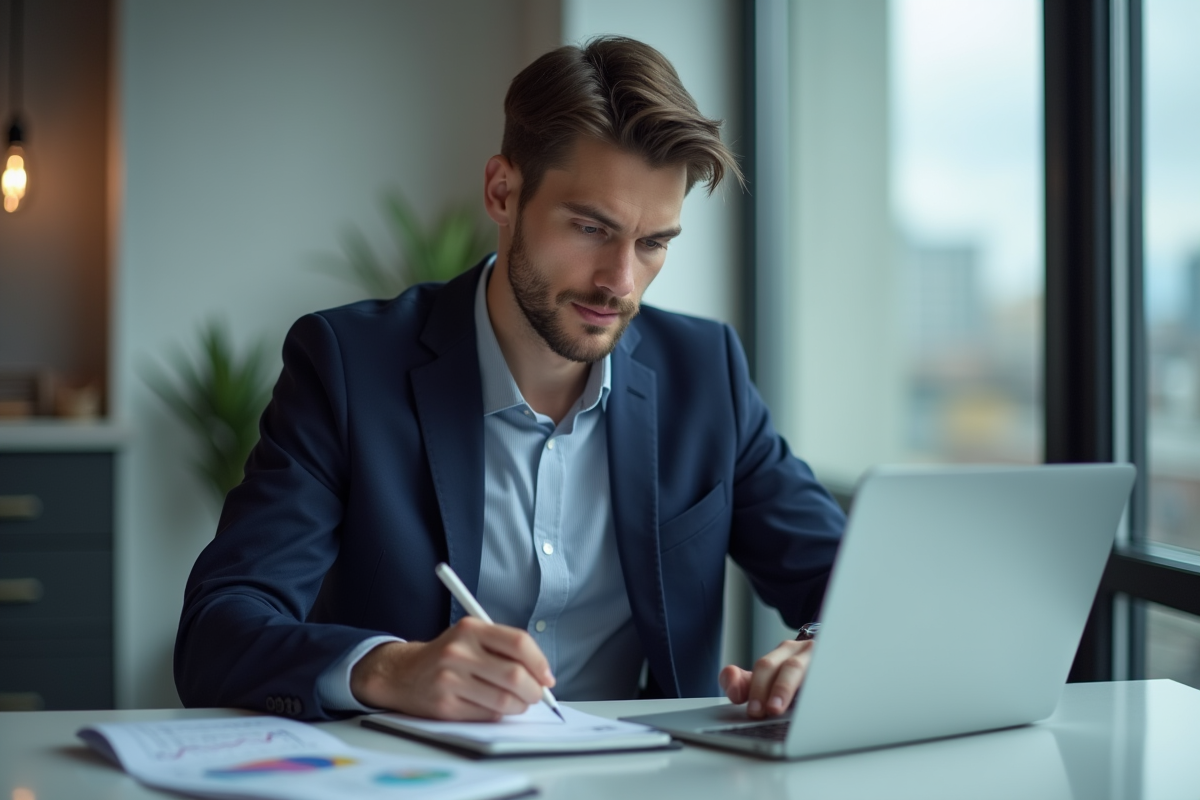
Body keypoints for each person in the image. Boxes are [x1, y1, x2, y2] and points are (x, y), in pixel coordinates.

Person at [175, 36, 845, 723]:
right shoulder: (348, 366)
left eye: (653, 244)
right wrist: (389, 669)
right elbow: (218, 631)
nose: (620, 282)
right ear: (502, 191)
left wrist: (829, 648)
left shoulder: (705, 375)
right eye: (591, 227)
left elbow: (848, 582)